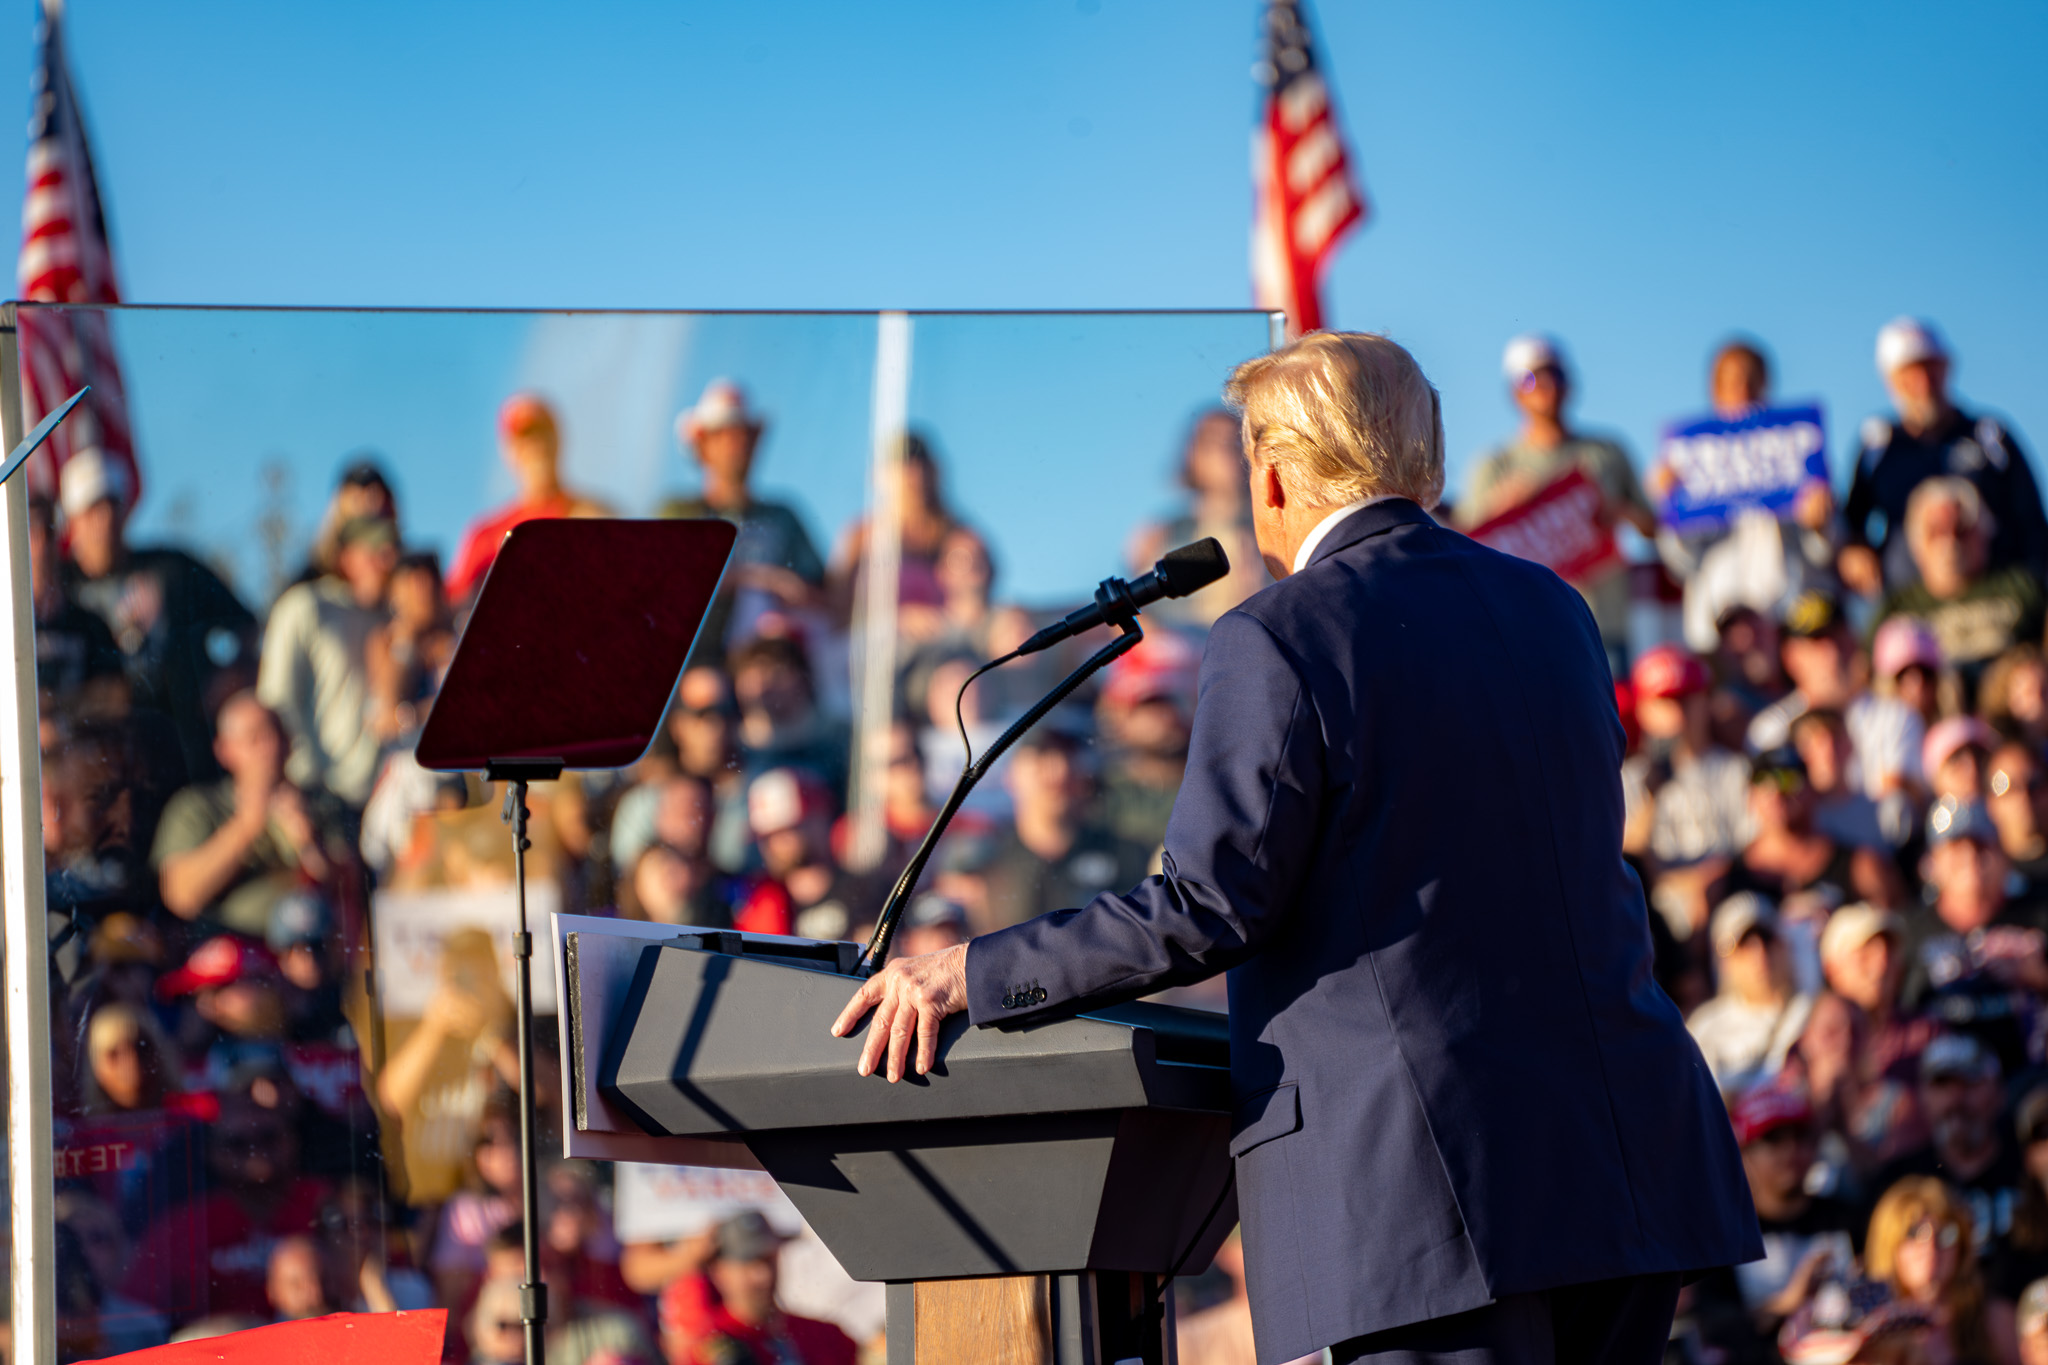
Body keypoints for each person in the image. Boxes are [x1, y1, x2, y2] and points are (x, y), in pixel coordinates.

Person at [833, 331, 1758, 1365]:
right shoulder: (1552, 610)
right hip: (1620, 1170)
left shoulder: (1279, 631)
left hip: (1432, 1200)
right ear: (1425, 456)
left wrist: (973, 970)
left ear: (1270, 473)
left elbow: (1209, 904)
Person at [60, 446, 259, 781]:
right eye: (92, 509)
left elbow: (246, 624)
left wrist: (226, 682)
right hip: (96, 763)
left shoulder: (170, 568)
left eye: (112, 506)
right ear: (71, 522)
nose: (104, 520)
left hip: (182, 750)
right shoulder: (59, 588)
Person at [1458, 333, 1658, 660]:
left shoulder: (1606, 452)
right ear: (1515, 392)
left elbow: (1654, 527)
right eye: (1535, 378)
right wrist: (1502, 507)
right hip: (1526, 627)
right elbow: (1465, 545)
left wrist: (1619, 512)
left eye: (1556, 374)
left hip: (1602, 625)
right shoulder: (1494, 465)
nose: (1548, 386)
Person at [1843, 317, 2048, 597]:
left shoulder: (1990, 436)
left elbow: (2033, 524)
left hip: (1998, 601)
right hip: (1910, 607)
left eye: (1931, 368)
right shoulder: (1877, 447)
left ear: (1947, 367)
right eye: (1910, 373)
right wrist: (1854, 551)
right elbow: (1853, 525)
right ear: (1891, 382)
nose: (1924, 382)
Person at [151, 693, 350, 940]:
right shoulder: (197, 807)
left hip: (315, 948)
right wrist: (246, 826)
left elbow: (351, 890)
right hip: (235, 951)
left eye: (276, 735)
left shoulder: (321, 804)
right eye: (255, 739)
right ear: (224, 750)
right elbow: (180, 896)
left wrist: (308, 841)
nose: (270, 747)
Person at [658, 379, 827, 661]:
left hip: (771, 667)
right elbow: (666, 585)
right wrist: (760, 579)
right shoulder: (679, 512)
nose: (737, 444)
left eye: (744, 434)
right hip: (688, 664)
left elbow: (821, 596)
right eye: (723, 434)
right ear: (702, 445)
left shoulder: (782, 517)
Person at [1690, 1086, 1859, 1363]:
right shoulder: (1725, 1235)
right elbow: (1715, 1326)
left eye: (1800, 1136)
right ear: (1743, 1153)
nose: (1791, 1150)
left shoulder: (1849, 1218)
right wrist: (1787, 1302)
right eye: (1773, 1139)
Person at [256, 515, 398, 807]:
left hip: (383, 794)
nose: (387, 562)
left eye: (392, 550)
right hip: (317, 793)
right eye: (376, 552)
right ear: (346, 557)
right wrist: (302, 777)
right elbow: (276, 699)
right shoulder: (305, 606)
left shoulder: (395, 620)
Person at [1876, 477, 2046, 701]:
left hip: (2014, 718)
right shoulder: (1898, 608)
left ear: (1984, 531)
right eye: (1936, 531)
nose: (1950, 542)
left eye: (1961, 529)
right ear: (1916, 544)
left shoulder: (2023, 588)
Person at [1749, 591, 1926, 804]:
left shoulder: (1897, 717)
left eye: (1837, 639)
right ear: (1790, 657)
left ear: (1853, 643)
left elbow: (1896, 808)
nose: (1831, 654)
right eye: (1816, 643)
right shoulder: (1769, 730)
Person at [975, 726, 1152, 935]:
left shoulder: (1129, 856)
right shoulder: (986, 865)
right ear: (1011, 776)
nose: (1058, 769)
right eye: (1042, 757)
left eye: (1068, 757)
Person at [1872, 1034, 2029, 1265]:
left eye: (1970, 1083)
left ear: (1999, 1093)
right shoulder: (1899, 1182)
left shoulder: (2029, 1172)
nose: (1956, 1099)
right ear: (1923, 1097)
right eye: (1942, 1084)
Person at [445, 393, 613, 604]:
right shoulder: (486, 536)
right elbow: (452, 605)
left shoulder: (594, 517)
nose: (536, 448)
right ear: (509, 451)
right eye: (525, 439)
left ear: (558, 439)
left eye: (542, 434)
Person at [1127, 408, 1270, 630]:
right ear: (1193, 456)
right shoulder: (1158, 534)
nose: (1229, 452)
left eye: (1237, 441)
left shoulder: (1276, 529)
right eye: (1215, 442)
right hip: (1180, 656)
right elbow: (1133, 612)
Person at [658, 1212, 855, 1365]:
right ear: (719, 1272)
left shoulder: (825, 1334)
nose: (763, 1275)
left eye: (768, 1259)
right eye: (748, 1264)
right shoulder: (707, 1346)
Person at [1864, 1174, 2007, 1365]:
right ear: (1888, 1244)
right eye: (1913, 1234)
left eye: (1946, 1234)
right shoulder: (1867, 1330)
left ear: (1962, 1247)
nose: (1930, 1247)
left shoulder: (1992, 1319)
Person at [1686, 894, 1814, 1095]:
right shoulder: (1704, 1028)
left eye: (1766, 938)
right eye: (1744, 945)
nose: (1760, 954)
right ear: (1723, 962)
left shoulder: (1813, 1015)